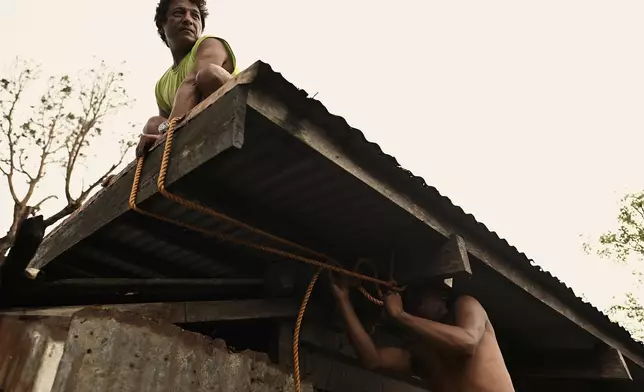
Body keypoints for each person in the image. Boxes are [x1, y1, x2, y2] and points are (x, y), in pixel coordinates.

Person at [329, 274, 515, 392]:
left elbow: (467, 342)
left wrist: (401, 315)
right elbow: (372, 359)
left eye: (422, 294)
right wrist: (343, 300)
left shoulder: (466, 305)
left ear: (442, 296)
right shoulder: (421, 349)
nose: (414, 301)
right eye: (412, 295)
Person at [136, 0, 239, 157]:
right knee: (153, 124)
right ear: (161, 26)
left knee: (208, 75)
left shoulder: (210, 44)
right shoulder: (162, 85)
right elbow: (165, 124)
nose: (188, 19)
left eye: (195, 16)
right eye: (179, 13)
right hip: (195, 133)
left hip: (237, 111)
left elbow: (191, 84)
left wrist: (166, 135)